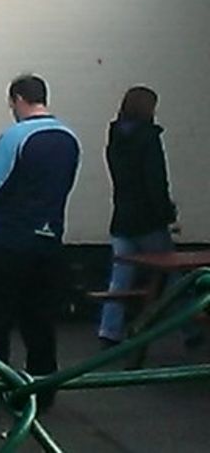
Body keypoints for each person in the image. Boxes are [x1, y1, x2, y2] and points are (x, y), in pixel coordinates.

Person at [0, 74, 80, 417]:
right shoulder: (69, 137)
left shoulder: (15, 136)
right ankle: (42, 394)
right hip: (50, 239)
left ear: (17, 99)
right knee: (40, 320)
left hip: (11, 240)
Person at [98, 86, 202, 349]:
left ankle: (109, 330)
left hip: (122, 218)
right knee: (173, 278)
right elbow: (156, 181)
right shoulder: (149, 138)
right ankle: (190, 328)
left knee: (120, 277)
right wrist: (167, 213)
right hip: (149, 222)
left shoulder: (115, 138)